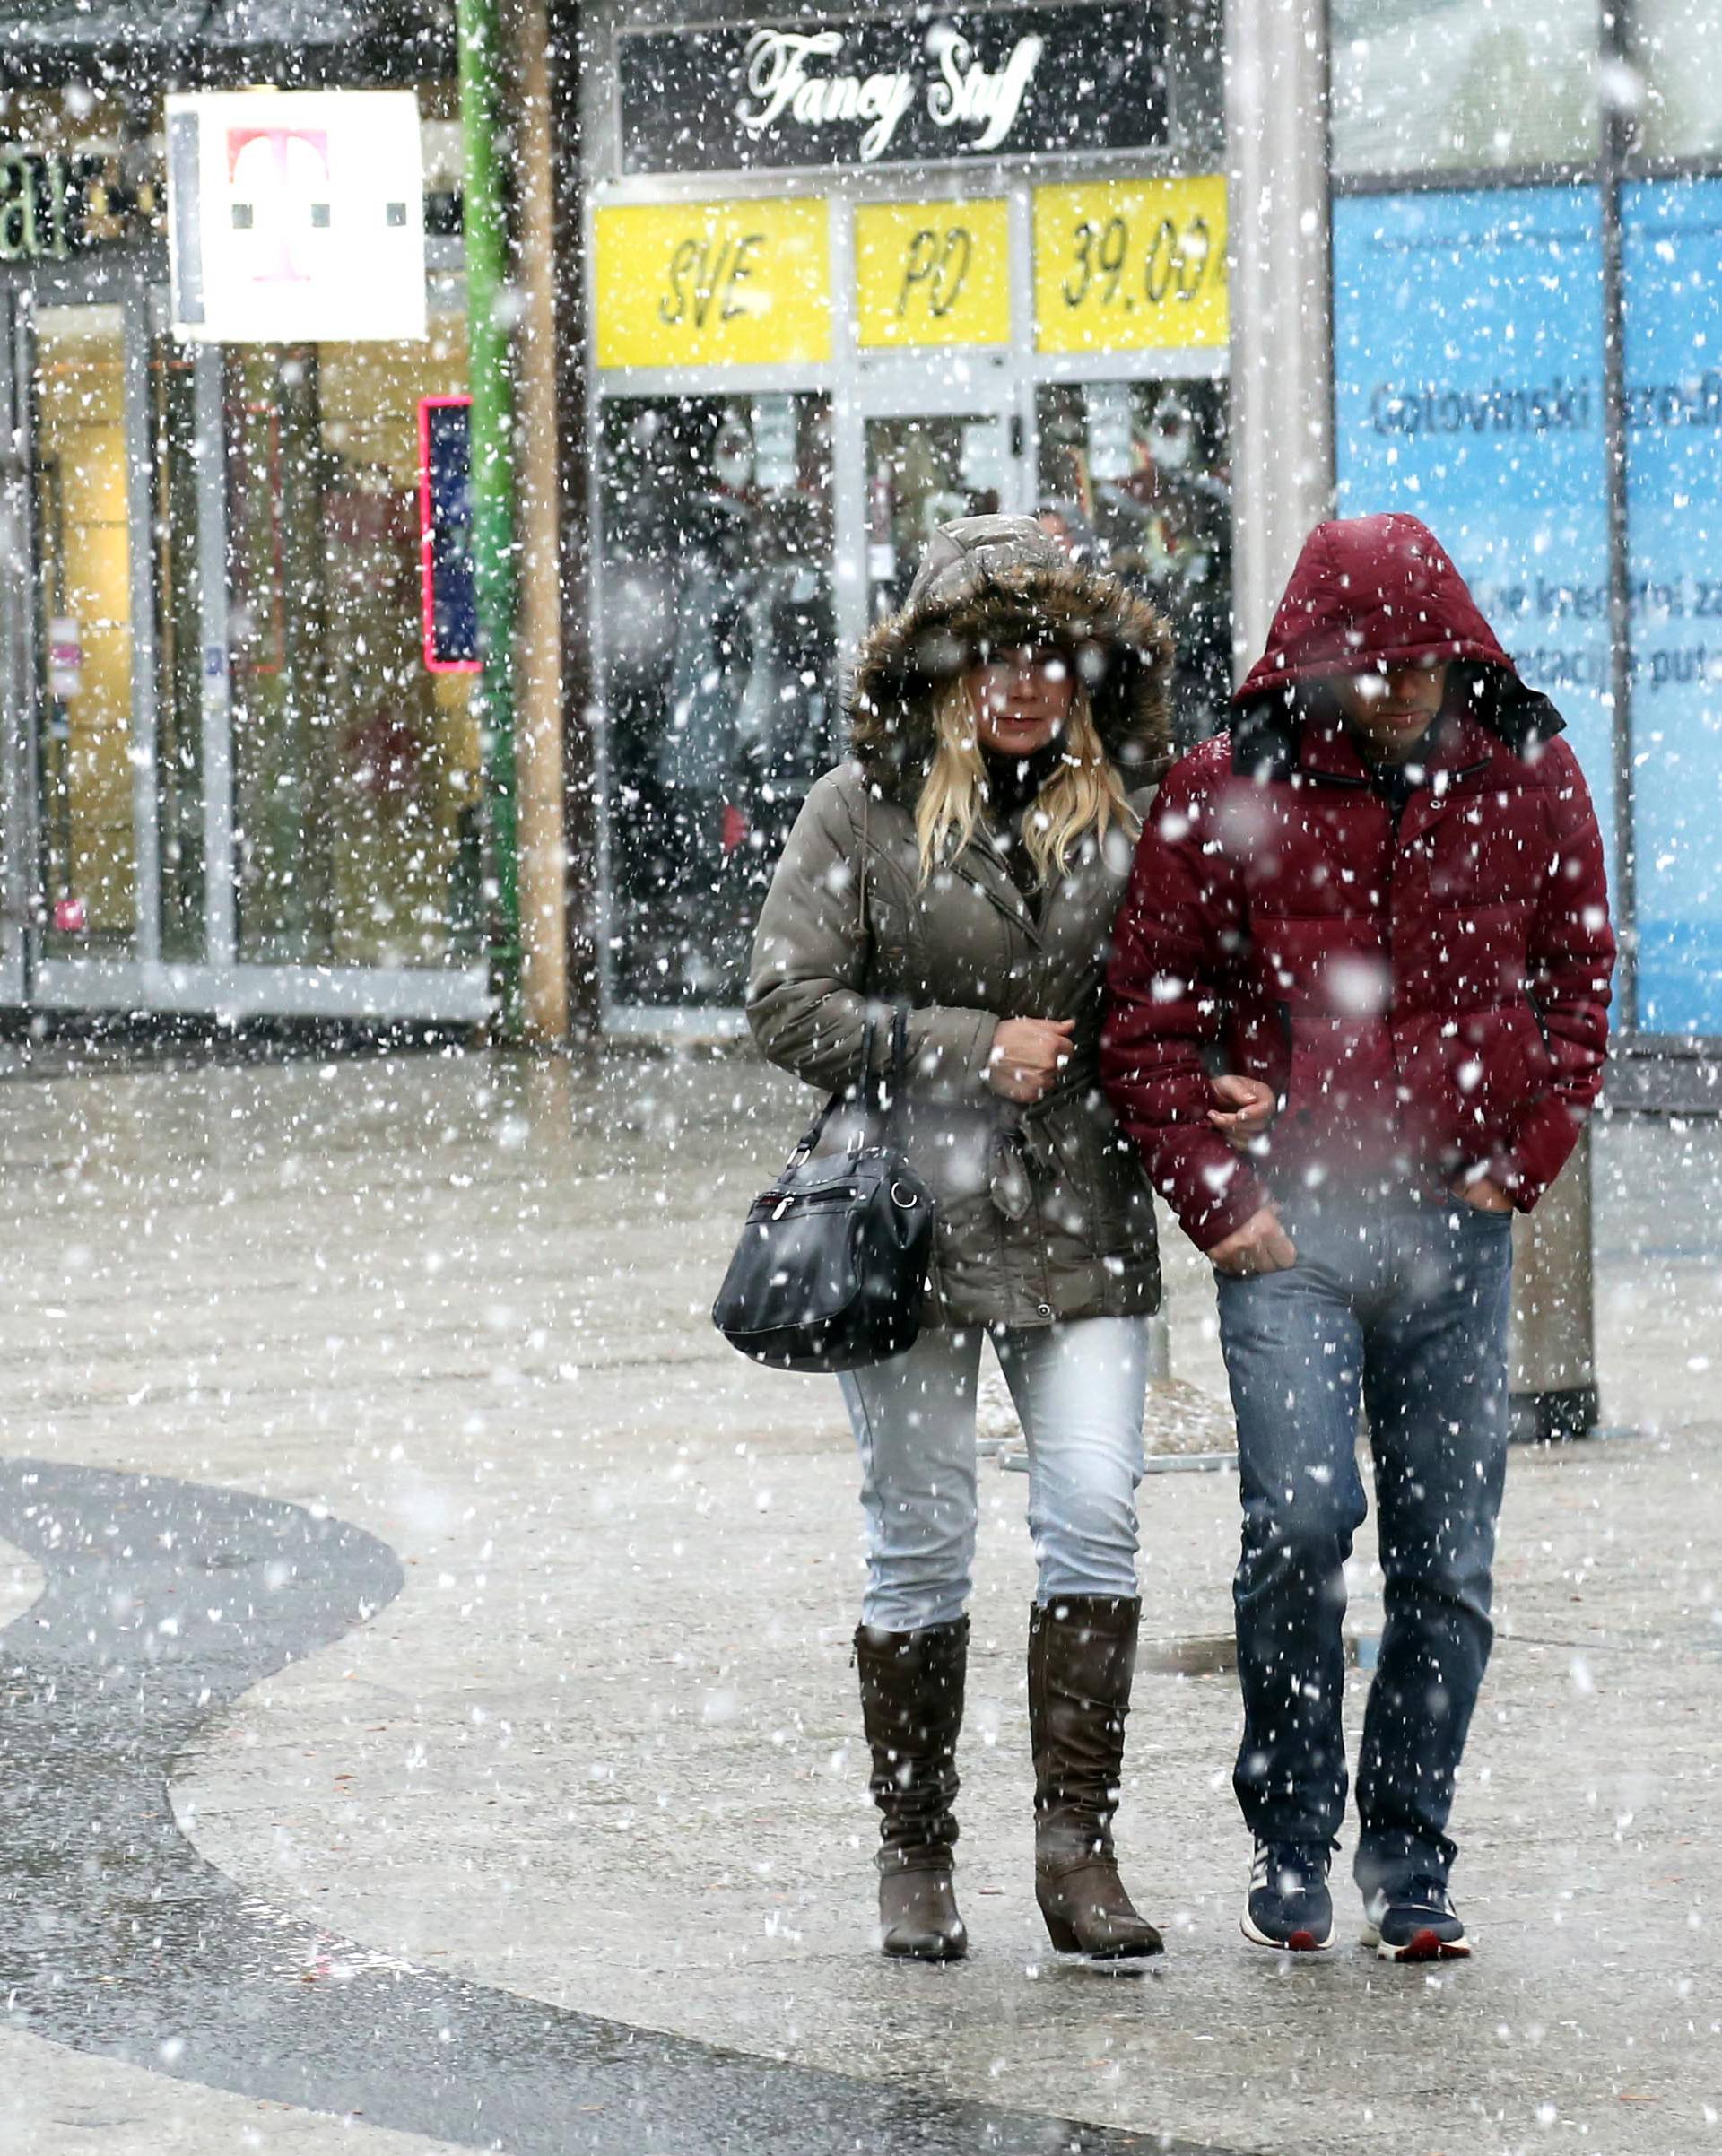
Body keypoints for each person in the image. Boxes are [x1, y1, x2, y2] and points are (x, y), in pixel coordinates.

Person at [1101, 513, 1615, 1962]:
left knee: (1448, 1559)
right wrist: (1227, 1201)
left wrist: (1527, 1161)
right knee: (1303, 1528)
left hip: (1457, 1224)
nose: (1399, 691)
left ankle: (1410, 1852)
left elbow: (1580, 974)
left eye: (1422, 663)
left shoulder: (1527, 773)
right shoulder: (1225, 790)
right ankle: (1289, 1834)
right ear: (1316, 662)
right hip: (1293, 1235)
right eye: (1372, 666)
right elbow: (1145, 1015)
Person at [749, 516, 1231, 1966]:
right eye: (990, 652)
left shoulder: (1141, 806)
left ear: (1089, 669)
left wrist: (1226, 1060)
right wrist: (967, 1048)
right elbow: (786, 1002)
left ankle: (1076, 1848)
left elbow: (1200, 978)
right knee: (922, 1542)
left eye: (1048, 652)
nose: (1022, 681)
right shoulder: (858, 808)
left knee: (1094, 1514)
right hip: (913, 1225)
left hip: (1084, 1223)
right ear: (942, 670)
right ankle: (915, 1849)